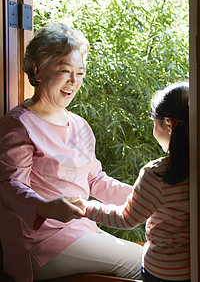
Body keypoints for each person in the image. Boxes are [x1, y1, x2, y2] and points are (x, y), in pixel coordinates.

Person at [0, 23, 143, 282]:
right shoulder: (19, 124)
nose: (73, 82)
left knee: (153, 257)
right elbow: (10, 185)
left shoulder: (79, 125)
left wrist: (148, 197)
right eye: (65, 71)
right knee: (146, 264)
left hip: (82, 232)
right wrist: (45, 208)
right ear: (37, 70)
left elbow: (95, 180)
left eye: (80, 73)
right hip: (40, 242)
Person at [82, 82, 190, 282]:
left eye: (153, 122)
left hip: (161, 271)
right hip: (192, 269)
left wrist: (85, 208)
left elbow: (126, 219)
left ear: (168, 123)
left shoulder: (157, 173)